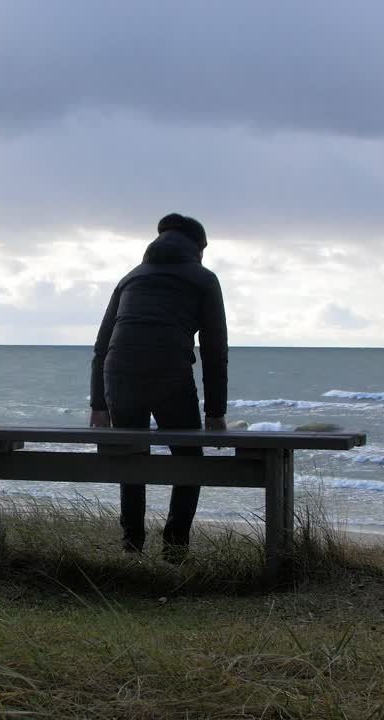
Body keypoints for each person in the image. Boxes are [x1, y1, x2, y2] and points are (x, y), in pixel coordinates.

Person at [89, 212, 228, 561]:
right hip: (170, 376)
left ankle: (131, 545)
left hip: (118, 375)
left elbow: (102, 346)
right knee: (189, 461)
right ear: (198, 248)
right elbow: (214, 351)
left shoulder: (131, 277)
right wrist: (215, 413)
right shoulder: (204, 279)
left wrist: (98, 405)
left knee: (132, 457)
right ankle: (175, 548)